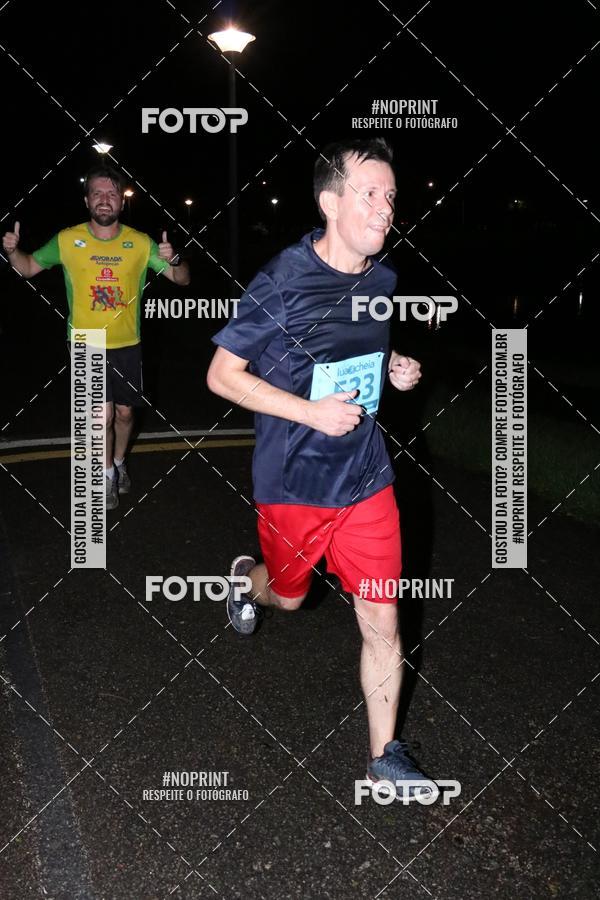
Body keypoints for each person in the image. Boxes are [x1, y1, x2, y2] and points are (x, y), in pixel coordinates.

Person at [207, 138, 436, 798]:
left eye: (391, 195)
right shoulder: (282, 279)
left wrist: (393, 370)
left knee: (383, 621)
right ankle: (243, 579)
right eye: (370, 193)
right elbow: (223, 376)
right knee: (288, 595)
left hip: (366, 479)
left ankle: (384, 755)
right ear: (330, 201)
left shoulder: (384, 279)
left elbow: (360, 353)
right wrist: (309, 415)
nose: (385, 207)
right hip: (294, 484)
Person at [2, 163, 190, 509]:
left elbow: (181, 279)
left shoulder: (139, 243)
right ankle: (106, 478)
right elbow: (28, 268)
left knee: (124, 416)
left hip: (127, 345)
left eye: (112, 194)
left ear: (121, 201)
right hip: (86, 341)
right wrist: (13, 251)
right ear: (87, 200)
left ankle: (119, 463)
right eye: (97, 193)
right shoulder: (67, 240)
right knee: (99, 417)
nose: (105, 199)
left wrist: (174, 257)